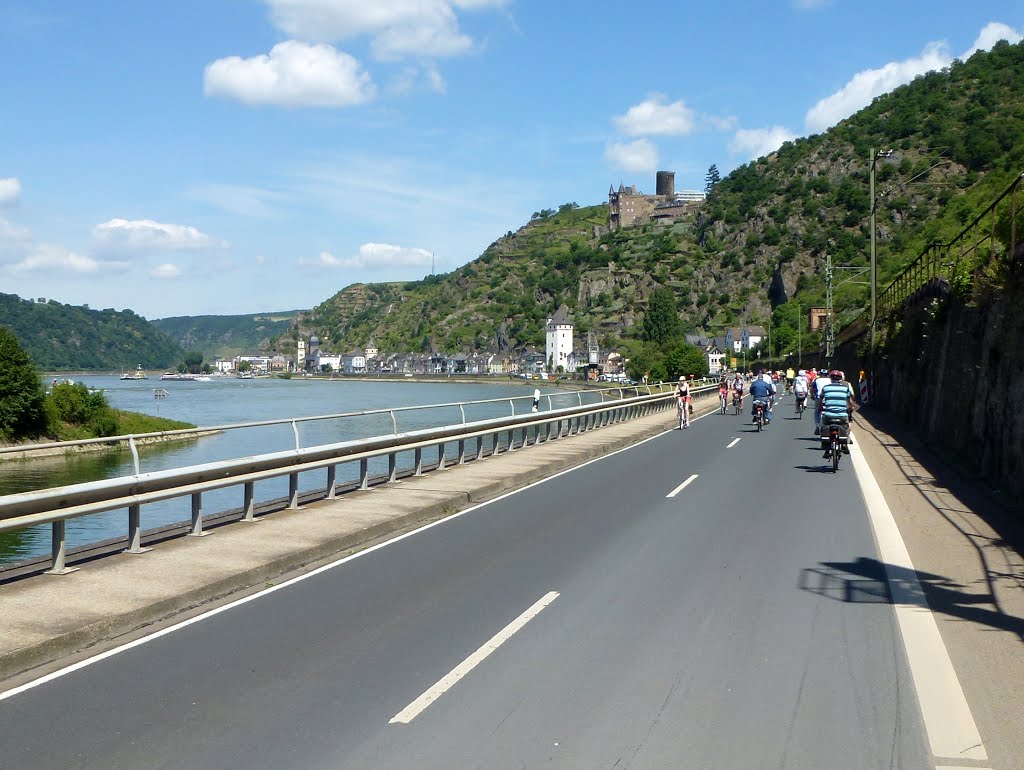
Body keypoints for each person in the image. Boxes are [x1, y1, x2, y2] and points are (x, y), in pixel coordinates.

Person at [817, 369, 854, 457]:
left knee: (824, 425)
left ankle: (826, 448)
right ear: (840, 379)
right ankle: (844, 443)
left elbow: (820, 399)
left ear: (831, 378)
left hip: (828, 415)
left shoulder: (826, 388)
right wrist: (851, 408)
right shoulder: (845, 388)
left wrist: (820, 407)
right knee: (846, 426)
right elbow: (849, 401)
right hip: (842, 416)